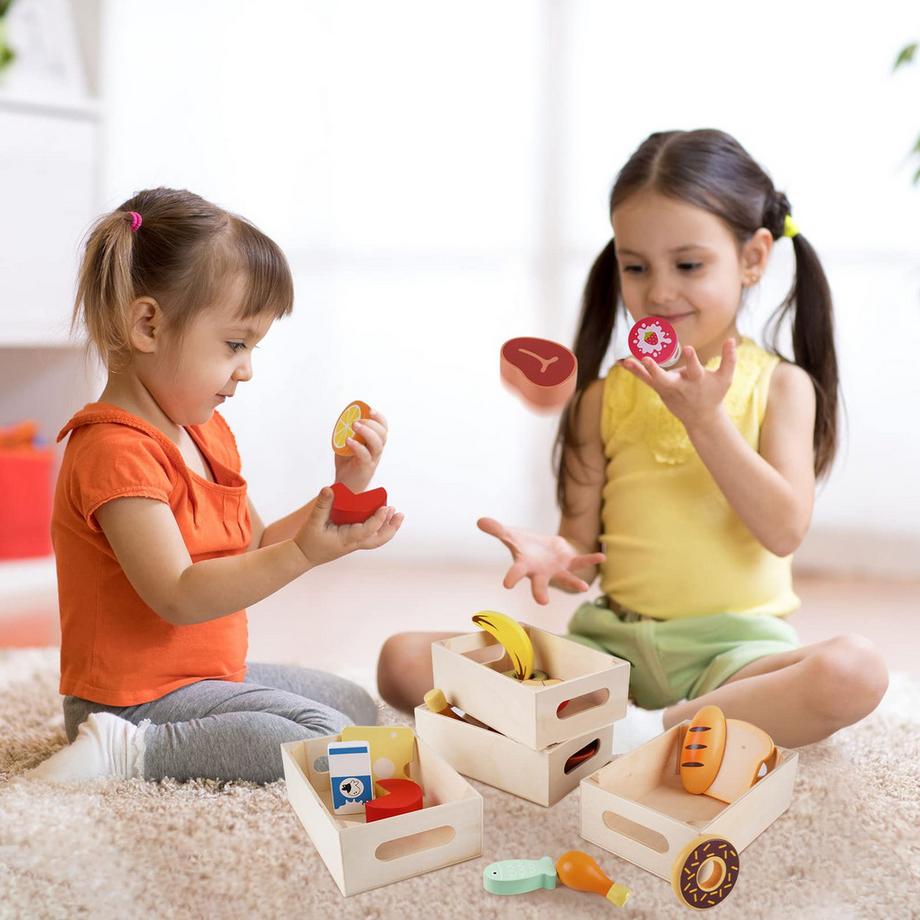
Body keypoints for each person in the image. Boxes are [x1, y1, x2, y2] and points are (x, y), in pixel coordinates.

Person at [377, 129, 888, 750]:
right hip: (608, 648)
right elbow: (581, 551)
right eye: (636, 267)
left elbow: (783, 530)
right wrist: (555, 556)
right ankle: (641, 726)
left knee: (853, 673)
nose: (659, 291)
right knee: (402, 661)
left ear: (753, 258)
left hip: (734, 654)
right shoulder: (603, 398)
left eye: (689, 265)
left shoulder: (782, 387)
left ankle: (653, 730)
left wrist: (705, 420)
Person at [29, 187, 403, 784]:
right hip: (133, 702)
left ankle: (184, 736)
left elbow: (253, 546)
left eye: (253, 347)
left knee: (353, 705)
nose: (248, 367)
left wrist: (338, 493)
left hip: (204, 678)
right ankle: (124, 752)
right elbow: (177, 594)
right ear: (148, 324)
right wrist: (304, 554)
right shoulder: (113, 451)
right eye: (235, 344)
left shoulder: (205, 434)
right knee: (331, 739)